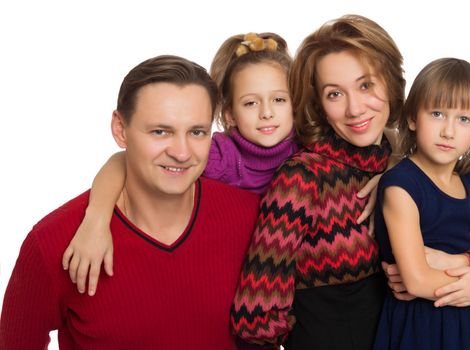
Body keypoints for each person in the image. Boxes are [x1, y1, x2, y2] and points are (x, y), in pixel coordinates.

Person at [229, 16, 470, 350]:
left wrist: (462, 265)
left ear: (391, 81)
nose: (355, 108)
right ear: (319, 104)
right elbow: (255, 314)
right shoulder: (302, 178)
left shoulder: (407, 164)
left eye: (366, 85)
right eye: (334, 93)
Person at [0, 55, 260, 349]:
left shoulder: (250, 218)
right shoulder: (53, 242)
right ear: (120, 130)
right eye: (160, 131)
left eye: (197, 132)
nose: (182, 152)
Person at [60, 32, 300, 297]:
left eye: (279, 100)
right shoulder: (218, 154)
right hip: (229, 274)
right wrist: (96, 220)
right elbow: (122, 163)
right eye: (251, 103)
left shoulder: (308, 149)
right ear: (229, 114)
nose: (266, 112)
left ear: (295, 102)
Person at [373, 57, 470, 349]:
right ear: (413, 117)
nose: (448, 131)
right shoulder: (402, 186)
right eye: (437, 113)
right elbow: (415, 282)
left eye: (464, 119)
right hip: (419, 323)